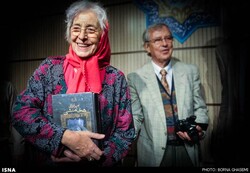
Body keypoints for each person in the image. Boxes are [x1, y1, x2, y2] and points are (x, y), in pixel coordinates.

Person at [12, 0, 135, 168]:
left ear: (103, 34)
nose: (82, 36)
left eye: (91, 30)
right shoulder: (49, 69)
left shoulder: (116, 79)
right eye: (76, 28)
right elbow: (20, 112)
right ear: (69, 32)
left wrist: (94, 157)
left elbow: (125, 133)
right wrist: (64, 138)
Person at [127, 23, 209, 167]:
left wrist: (199, 130)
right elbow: (135, 116)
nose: (165, 44)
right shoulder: (135, 78)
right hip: (153, 153)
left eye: (168, 38)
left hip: (188, 149)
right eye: (158, 40)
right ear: (147, 47)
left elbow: (200, 108)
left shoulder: (190, 71)